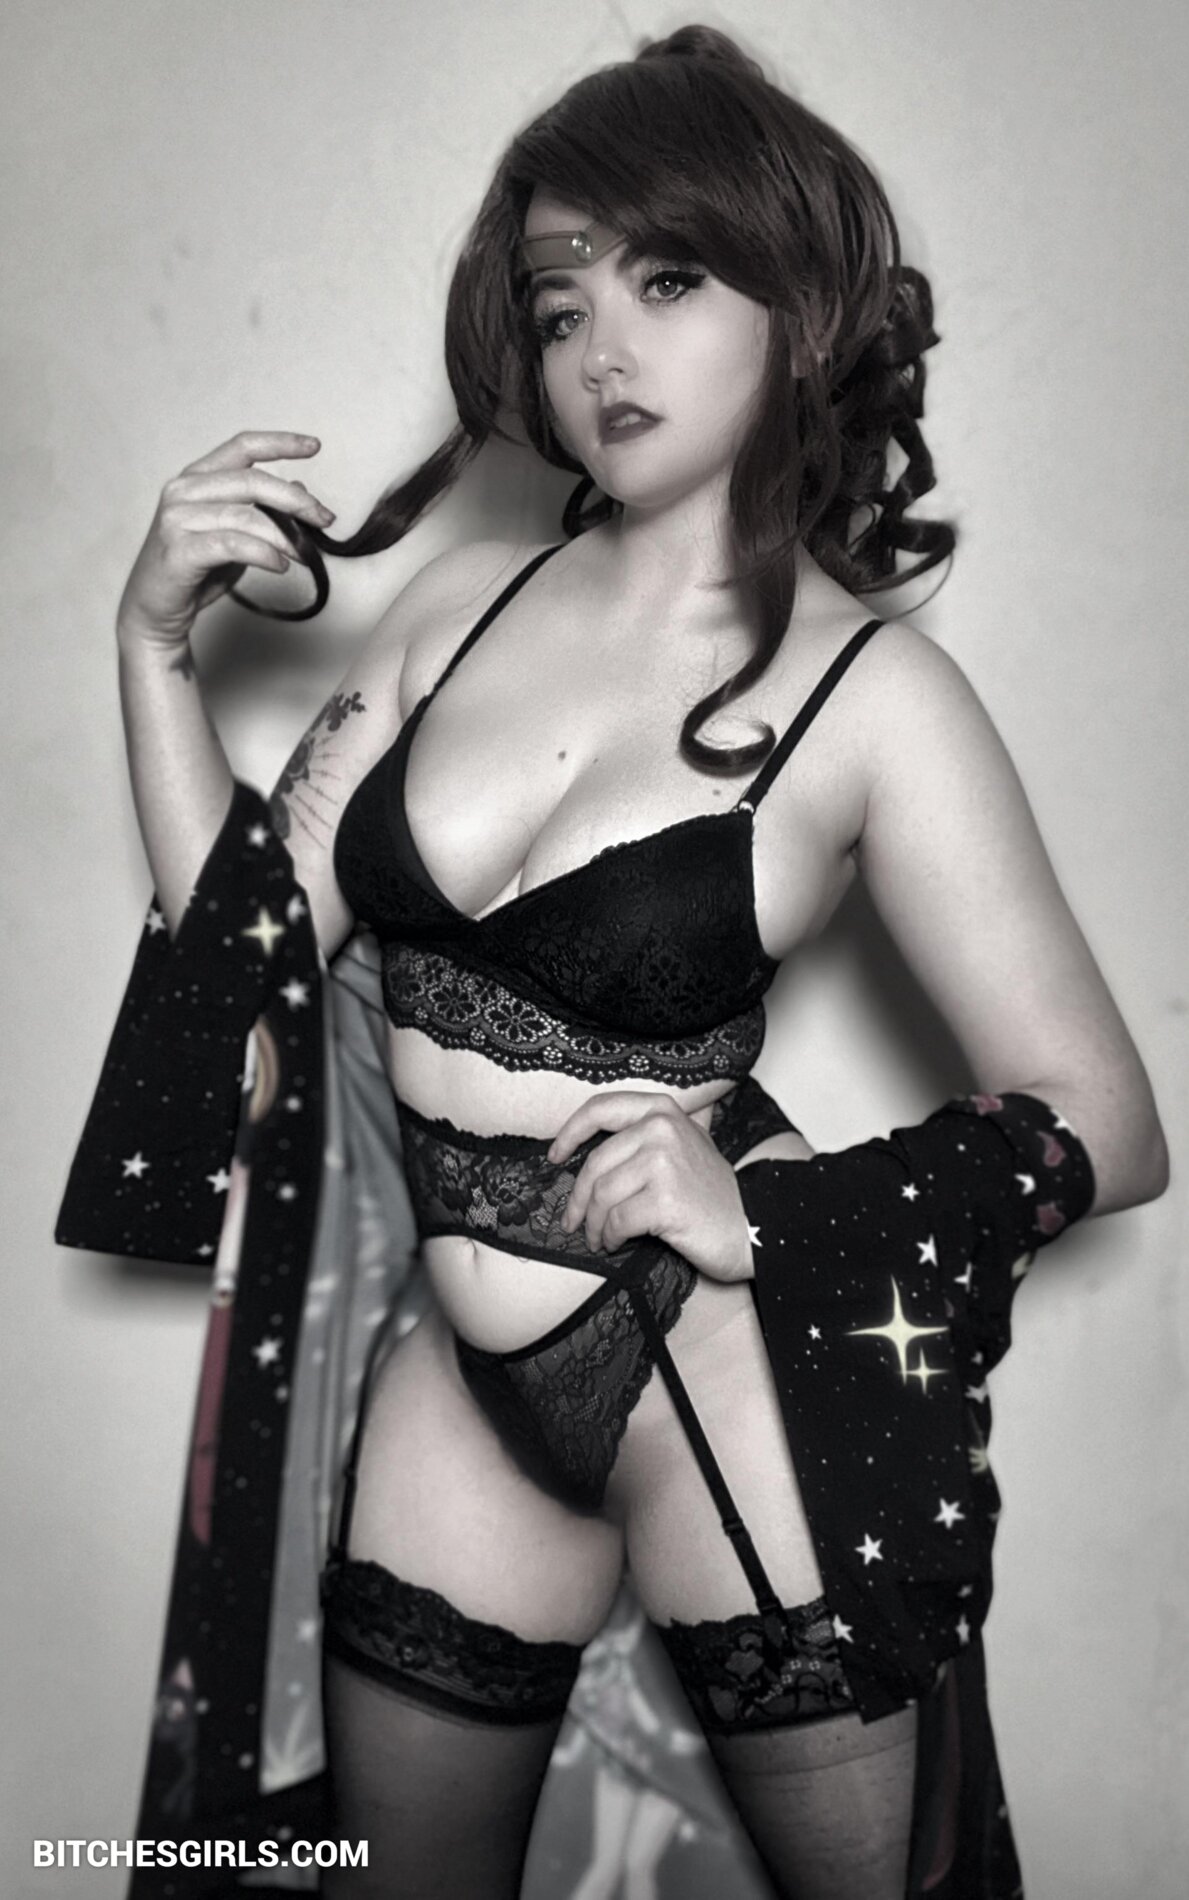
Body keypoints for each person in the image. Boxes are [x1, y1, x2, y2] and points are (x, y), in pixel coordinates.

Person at [56, 23, 1167, 1900]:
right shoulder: (456, 605)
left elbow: (1109, 1127)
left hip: (711, 1379)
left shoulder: (873, 699)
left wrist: (774, 1215)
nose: (599, 353)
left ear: (796, 305)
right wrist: (154, 652)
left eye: (665, 281)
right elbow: (242, 985)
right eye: (561, 304)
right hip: (458, 1392)